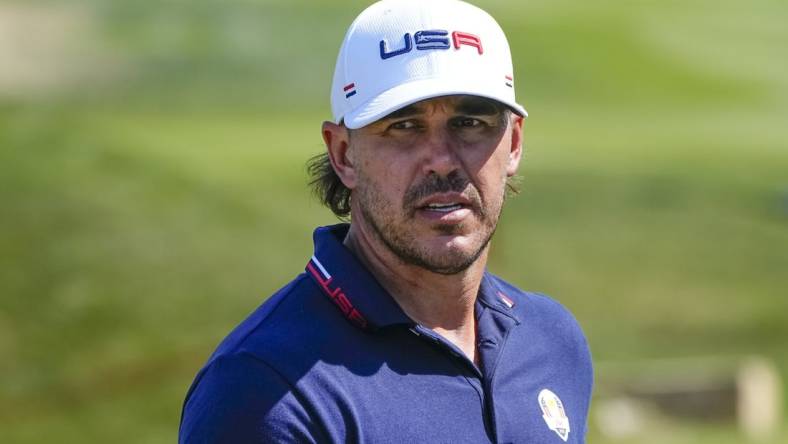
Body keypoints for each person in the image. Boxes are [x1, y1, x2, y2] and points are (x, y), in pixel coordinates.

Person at [179, 0, 593, 442]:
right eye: (405, 126)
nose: (442, 160)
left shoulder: (551, 340)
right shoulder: (266, 390)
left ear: (512, 143)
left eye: (469, 122)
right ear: (343, 154)